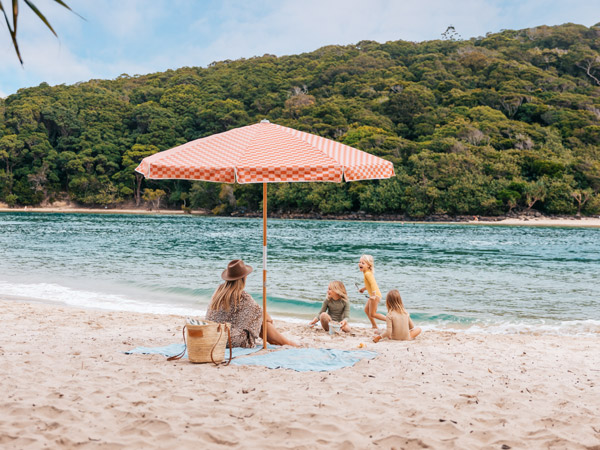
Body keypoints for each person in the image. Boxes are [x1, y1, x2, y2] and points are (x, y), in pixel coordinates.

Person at [206, 259, 299, 348]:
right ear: (244, 278)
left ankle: (284, 342)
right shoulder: (242, 297)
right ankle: (287, 343)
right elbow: (261, 314)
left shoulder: (218, 291)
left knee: (255, 318)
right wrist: (269, 321)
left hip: (212, 335)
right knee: (261, 321)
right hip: (229, 342)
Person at [357, 254, 386, 329]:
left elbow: (373, 284)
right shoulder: (366, 273)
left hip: (375, 296)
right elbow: (369, 285)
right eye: (359, 262)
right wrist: (363, 289)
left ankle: (390, 320)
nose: (360, 264)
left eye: (363, 263)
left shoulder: (367, 274)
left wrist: (373, 295)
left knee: (373, 314)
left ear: (369, 266)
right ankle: (374, 325)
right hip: (374, 295)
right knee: (366, 310)